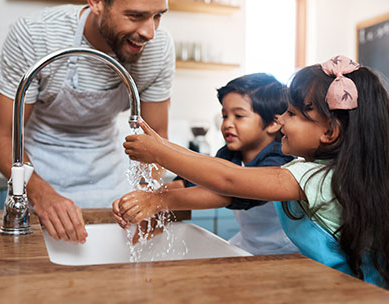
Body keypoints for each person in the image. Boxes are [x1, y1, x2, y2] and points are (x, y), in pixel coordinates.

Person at [119, 56, 389, 288]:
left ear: (329, 132)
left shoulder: (312, 177)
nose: (281, 118)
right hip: (331, 284)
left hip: (357, 292)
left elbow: (229, 180)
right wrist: (163, 146)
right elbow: (220, 168)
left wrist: (159, 158)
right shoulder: (313, 170)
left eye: (292, 114)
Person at [0, 0, 175, 244]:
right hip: (38, 174)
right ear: (96, 1)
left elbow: (157, 138)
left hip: (109, 179)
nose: (149, 32)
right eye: (136, 15)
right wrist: (41, 196)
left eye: (157, 16)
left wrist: (147, 194)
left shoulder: (157, 49)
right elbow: (2, 139)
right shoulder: (35, 36)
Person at [113, 73, 299, 254]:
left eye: (239, 116)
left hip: (287, 252)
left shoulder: (280, 159)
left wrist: (157, 200)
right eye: (225, 116)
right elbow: (191, 181)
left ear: (274, 123)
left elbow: (227, 192)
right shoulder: (231, 153)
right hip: (248, 246)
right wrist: (142, 198)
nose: (227, 124)